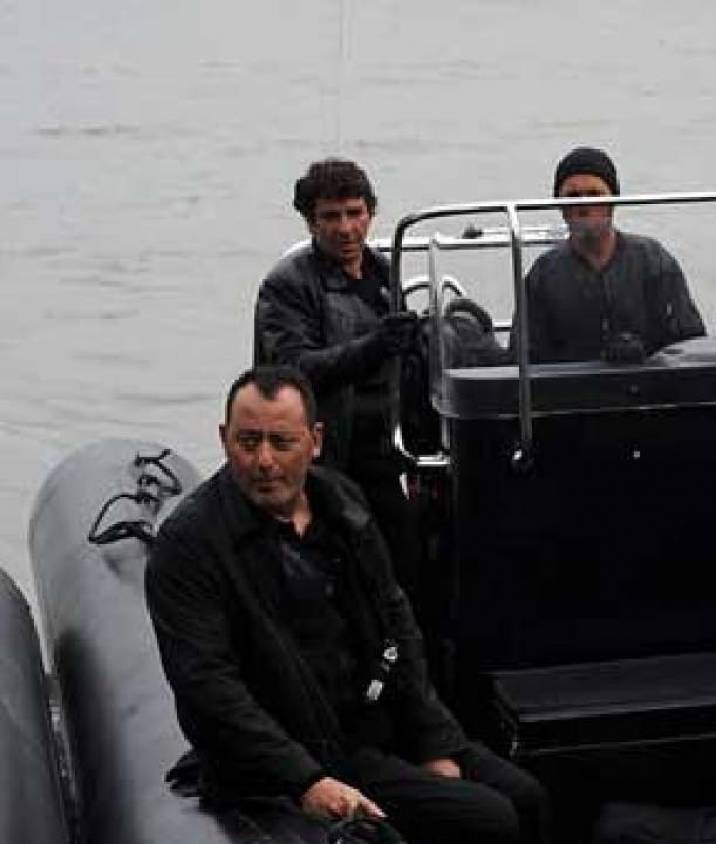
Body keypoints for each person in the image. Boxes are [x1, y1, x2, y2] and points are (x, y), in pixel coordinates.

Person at [146, 366, 548, 844]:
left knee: (527, 796)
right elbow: (209, 688)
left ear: (314, 441)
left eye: (281, 442)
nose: (264, 461)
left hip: (373, 725)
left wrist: (433, 742)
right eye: (248, 442)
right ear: (223, 439)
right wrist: (306, 780)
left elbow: (396, 623)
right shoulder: (191, 545)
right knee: (488, 819)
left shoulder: (340, 503)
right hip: (303, 752)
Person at [253, 159, 427, 637]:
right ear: (310, 221)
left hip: (387, 448)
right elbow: (292, 371)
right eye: (331, 216)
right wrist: (373, 347)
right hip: (326, 453)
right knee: (341, 577)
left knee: (405, 568)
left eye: (355, 213)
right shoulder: (288, 285)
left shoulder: (386, 273)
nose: (346, 228)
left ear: (371, 213)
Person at [517, 146, 705, 363]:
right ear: (560, 206)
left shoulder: (654, 261)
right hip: (571, 383)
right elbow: (524, 356)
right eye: (573, 196)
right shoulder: (543, 275)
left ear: (614, 200)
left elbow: (690, 342)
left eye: (594, 194)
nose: (584, 205)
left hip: (649, 380)